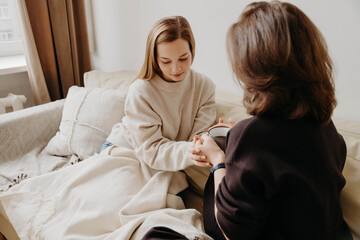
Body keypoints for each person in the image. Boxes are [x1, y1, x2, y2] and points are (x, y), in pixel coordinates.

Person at [189, 1, 353, 240]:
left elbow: (231, 230)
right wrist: (237, 142)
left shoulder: (250, 137)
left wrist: (219, 161)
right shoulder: (325, 126)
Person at [102, 15, 216, 171]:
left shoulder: (205, 87)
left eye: (183, 58)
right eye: (166, 61)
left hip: (165, 162)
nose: (176, 69)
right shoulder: (141, 90)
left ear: (192, 51)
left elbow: (199, 140)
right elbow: (150, 149)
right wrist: (191, 150)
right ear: (154, 58)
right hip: (125, 150)